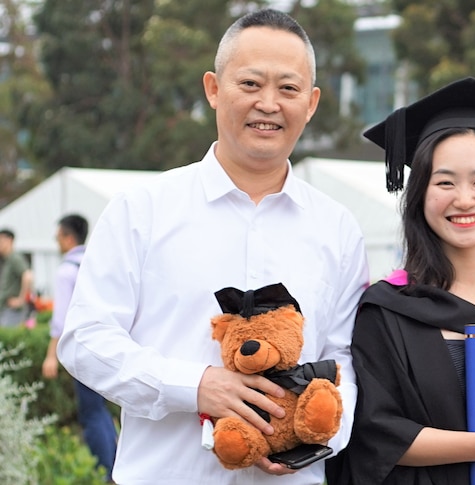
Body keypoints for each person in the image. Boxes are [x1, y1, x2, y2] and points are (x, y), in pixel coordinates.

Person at [56, 9, 369, 485]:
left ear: (311, 103)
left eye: (288, 88)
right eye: (250, 84)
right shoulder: (142, 210)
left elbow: (344, 356)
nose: (269, 103)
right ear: (214, 88)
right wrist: (195, 386)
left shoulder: (338, 228)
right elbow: (85, 339)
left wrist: (314, 436)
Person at [327, 77, 475, 485]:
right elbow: (373, 434)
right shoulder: (387, 310)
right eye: (445, 182)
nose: (464, 199)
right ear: (420, 194)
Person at [41, 214, 118, 481]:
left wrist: (52, 355)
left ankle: (105, 470)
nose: (56, 242)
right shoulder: (95, 261)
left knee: (90, 412)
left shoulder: (66, 271)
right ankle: (115, 464)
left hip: (84, 347)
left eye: (58, 236)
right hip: (108, 343)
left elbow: (60, 319)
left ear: (68, 237)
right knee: (100, 409)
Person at [0, 228, 33, 327]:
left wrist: (21, 299)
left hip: (12, 311)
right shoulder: (6, 259)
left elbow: (28, 276)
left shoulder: (15, 258)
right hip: (6, 309)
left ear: (9, 240)